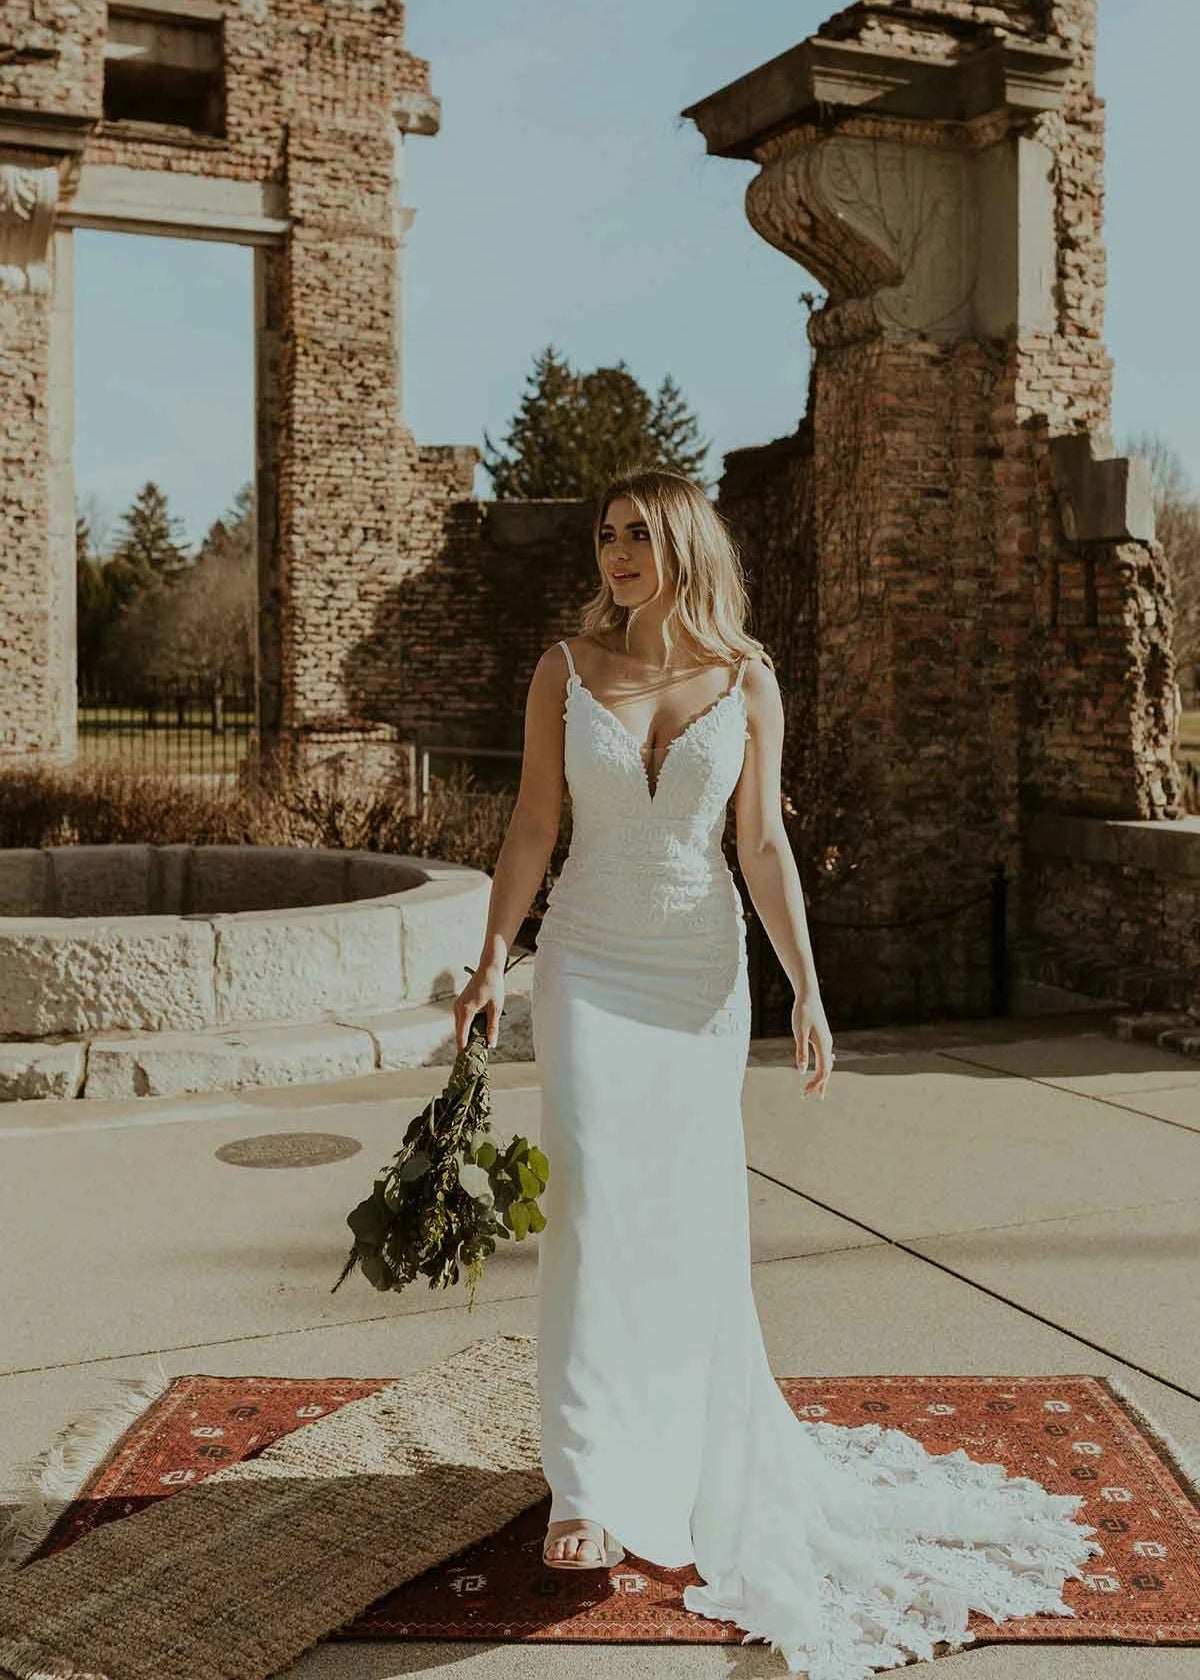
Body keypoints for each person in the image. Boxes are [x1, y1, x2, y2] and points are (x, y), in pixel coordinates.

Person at [452, 468, 1100, 1679]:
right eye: (606, 537)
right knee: (589, 1198)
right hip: (589, 961)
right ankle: (584, 1483)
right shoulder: (565, 668)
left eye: (640, 534)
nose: (618, 554)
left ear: (687, 543)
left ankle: (685, 1453)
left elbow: (762, 842)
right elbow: (534, 824)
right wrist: (494, 957)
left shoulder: (747, 682)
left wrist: (805, 983)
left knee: (685, 1220)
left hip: (697, 974)